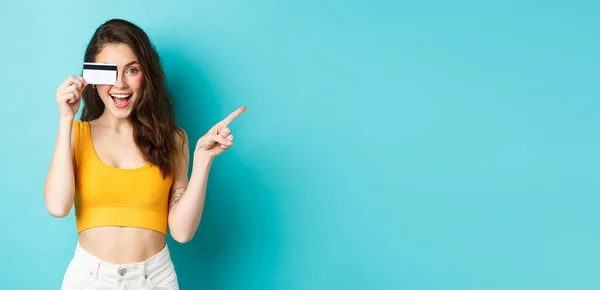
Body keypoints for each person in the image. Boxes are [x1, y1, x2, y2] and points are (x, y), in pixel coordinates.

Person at [44, 18, 246, 290]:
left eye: (132, 70)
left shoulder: (173, 139)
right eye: (110, 71)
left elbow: (183, 232)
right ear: (93, 77)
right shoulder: (75, 133)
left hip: (155, 280)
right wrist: (66, 119)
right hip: (88, 279)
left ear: (146, 75)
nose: (120, 85)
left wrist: (203, 161)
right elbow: (58, 207)